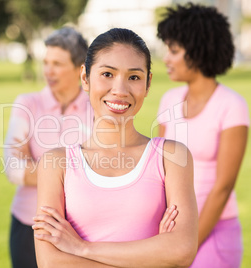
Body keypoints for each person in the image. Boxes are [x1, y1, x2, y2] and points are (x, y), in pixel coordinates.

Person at [32, 28, 198, 267]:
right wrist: (153, 256)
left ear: (148, 83)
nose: (120, 90)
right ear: (85, 78)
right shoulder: (55, 163)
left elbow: (181, 250)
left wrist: (81, 248)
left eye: (133, 77)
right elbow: (51, 262)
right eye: (107, 74)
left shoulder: (171, 157)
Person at [156, 3, 249, 268]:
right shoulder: (169, 99)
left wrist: (190, 243)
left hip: (213, 233)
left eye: (174, 50)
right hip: (171, 232)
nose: (166, 58)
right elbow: (159, 170)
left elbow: (223, 187)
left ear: (197, 50)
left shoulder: (232, 105)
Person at [3, 27, 92, 268]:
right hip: (28, 224)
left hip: (80, 230)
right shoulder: (27, 103)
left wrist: (37, 170)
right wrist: (74, 173)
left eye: (57, 64)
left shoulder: (96, 108)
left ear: (79, 68)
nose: (48, 71)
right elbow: (13, 168)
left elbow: (104, 169)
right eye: (46, 62)